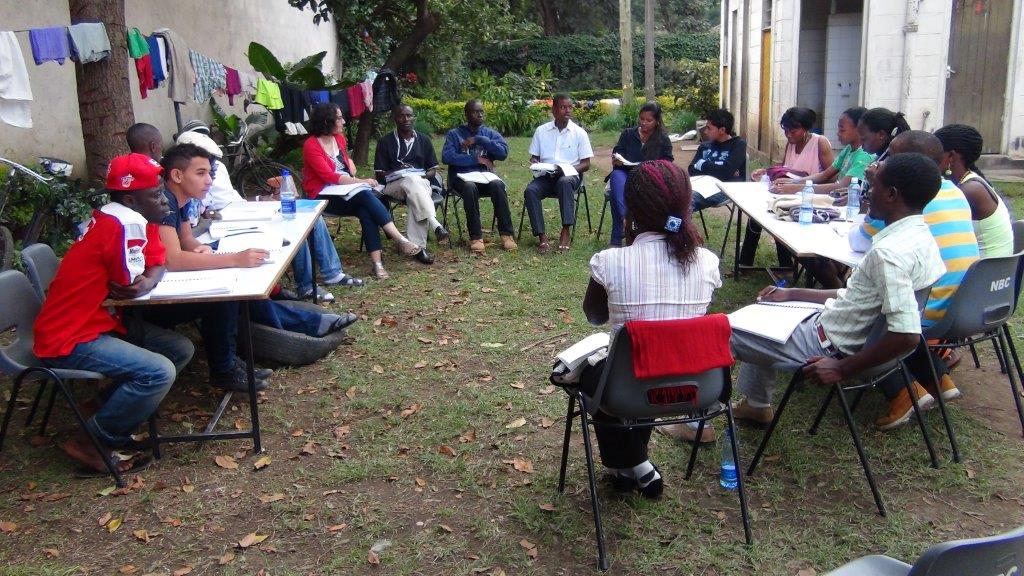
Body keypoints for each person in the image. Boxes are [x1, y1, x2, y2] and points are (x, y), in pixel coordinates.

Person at [730, 152, 946, 434]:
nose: (868, 193)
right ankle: (757, 405)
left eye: (874, 186)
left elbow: (907, 335)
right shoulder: (923, 238)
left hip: (828, 347)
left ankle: (699, 421)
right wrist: (793, 293)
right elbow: (857, 297)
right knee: (766, 309)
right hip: (837, 330)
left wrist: (841, 368)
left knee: (725, 331)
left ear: (891, 194)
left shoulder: (888, 254)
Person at [33, 153, 195, 475]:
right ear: (131, 199)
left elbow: (155, 264)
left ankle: (101, 410)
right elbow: (130, 284)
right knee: (159, 371)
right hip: (70, 336)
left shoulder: (133, 217)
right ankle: (92, 441)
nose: (164, 200)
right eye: (155, 194)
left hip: (98, 322)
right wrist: (146, 278)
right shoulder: (124, 223)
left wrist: (150, 278)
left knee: (180, 348)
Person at [580, 160, 722, 497]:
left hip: (626, 390)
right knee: (641, 365)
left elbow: (594, 316)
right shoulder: (707, 261)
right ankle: (638, 465)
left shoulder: (610, 261)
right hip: (694, 388)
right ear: (686, 205)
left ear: (630, 209)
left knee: (593, 371)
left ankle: (624, 465)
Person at [848, 131, 980, 428]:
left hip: (930, 308)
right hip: (964, 303)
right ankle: (938, 379)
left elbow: (859, 241)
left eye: (891, 157)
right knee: (896, 303)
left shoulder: (902, 201)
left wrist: (875, 191)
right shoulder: (955, 191)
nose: (883, 162)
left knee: (867, 315)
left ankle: (903, 392)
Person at [172, 121, 365, 300]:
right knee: (290, 229)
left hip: (234, 216)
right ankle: (299, 287)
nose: (209, 178)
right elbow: (181, 247)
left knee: (306, 219)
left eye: (210, 168)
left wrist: (260, 199)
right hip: (221, 228)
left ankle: (330, 274)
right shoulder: (175, 198)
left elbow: (226, 202)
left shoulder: (210, 173)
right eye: (202, 172)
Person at [301, 102, 421, 280]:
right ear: (326, 121)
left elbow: (348, 167)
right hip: (322, 195)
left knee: (366, 209)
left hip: (346, 191)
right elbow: (329, 176)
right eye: (339, 118)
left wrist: (351, 169)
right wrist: (360, 181)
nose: (343, 121)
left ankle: (378, 264)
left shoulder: (339, 139)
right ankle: (400, 239)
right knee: (365, 194)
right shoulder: (311, 145)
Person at [740, 107, 834, 268]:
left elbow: (831, 176)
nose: (789, 134)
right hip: (788, 194)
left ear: (805, 128)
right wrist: (767, 171)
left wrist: (799, 184)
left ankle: (786, 265)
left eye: (793, 131)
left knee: (779, 215)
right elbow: (785, 168)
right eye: (786, 130)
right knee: (756, 216)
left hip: (810, 198)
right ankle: (745, 264)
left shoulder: (820, 142)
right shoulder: (791, 144)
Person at [374, 103, 449, 264]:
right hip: (394, 186)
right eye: (402, 116)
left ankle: (417, 248)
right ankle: (435, 224)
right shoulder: (385, 141)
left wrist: (420, 175)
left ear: (413, 117)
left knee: (414, 187)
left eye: (409, 115)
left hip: (420, 184)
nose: (406, 119)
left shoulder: (424, 140)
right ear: (395, 119)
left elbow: (432, 170)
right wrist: (398, 172)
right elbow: (379, 174)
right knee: (411, 181)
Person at [441, 99, 517, 253]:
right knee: (470, 187)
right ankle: (476, 237)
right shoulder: (455, 134)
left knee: (498, 184)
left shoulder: (489, 134)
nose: (480, 114)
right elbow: (447, 157)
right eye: (476, 112)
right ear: (466, 114)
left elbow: (503, 153)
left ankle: (507, 234)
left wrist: (480, 140)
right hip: (461, 180)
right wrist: (475, 159)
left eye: (482, 111)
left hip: (484, 179)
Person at [524, 93, 594, 252]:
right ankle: (542, 236)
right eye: (563, 107)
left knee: (564, 182)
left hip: (570, 176)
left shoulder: (579, 133)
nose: (568, 110)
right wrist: (535, 163)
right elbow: (535, 157)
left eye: (570, 107)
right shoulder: (541, 131)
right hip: (546, 176)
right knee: (530, 191)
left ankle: (566, 230)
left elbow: (586, 164)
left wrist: (565, 170)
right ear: (554, 110)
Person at [934, 123, 1013, 257]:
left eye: (935, 153)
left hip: (985, 268)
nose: (930, 159)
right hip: (990, 266)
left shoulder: (969, 190)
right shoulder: (969, 181)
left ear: (951, 156)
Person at [606, 101, 674, 247]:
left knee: (615, 195)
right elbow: (617, 153)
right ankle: (625, 219)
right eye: (641, 119)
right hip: (626, 174)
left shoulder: (662, 139)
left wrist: (652, 167)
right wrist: (616, 159)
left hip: (650, 178)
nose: (644, 123)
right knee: (615, 176)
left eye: (649, 120)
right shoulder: (628, 134)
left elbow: (668, 163)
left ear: (657, 121)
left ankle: (618, 237)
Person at [770, 106, 873, 195]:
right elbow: (825, 174)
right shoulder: (849, 149)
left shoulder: (864, 156)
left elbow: (841, 185)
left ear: (859, 130)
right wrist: (794, 182)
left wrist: (797, 188)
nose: (838, 133)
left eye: (842, 130)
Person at [688, 107, 747, 211]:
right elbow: (692, 170)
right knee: (674, 196)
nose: (705, 131)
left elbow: (725, 172)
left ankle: (677, 222)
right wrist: (720, 169)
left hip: (726, 189)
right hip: (701, 186)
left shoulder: (738, 145)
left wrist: (701, 164)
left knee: (689, 200)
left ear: (722, 130)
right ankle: (672, 222)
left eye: (709, 128)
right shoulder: (705, 146)